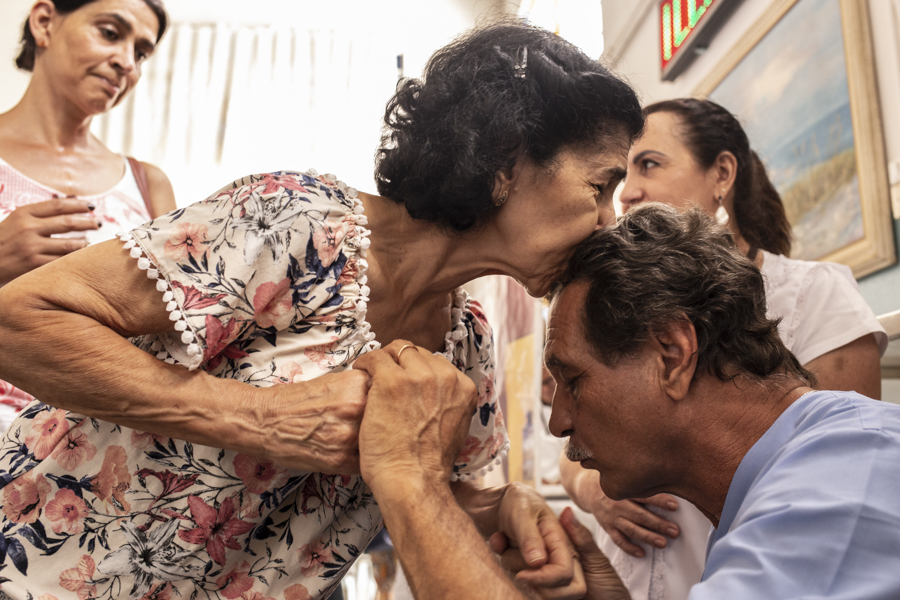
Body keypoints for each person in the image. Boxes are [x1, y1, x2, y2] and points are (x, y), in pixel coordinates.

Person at [0, 21, 644, 599]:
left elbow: (429, 489)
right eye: (600, 186)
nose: (608, 220)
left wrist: (503, 506)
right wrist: (259, 420)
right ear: (506, 159)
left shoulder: (467, 344)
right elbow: (18, 322)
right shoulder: (298, 222)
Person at [353, 204, 900, 600]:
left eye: (573, 380)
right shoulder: (801, 475)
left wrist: (409, 478)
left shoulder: (835, 492)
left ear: (672, 354)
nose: (559, 423)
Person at [559, 98, 888, 600]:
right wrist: (595, 492)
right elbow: (578, 441)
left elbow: (821, 477)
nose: (629, 193)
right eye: (622, 175)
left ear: (722, 174)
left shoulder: (815, 297)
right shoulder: (607, 309)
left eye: (650, 164)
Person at [0, 0, 177, 431]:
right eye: (110, 33)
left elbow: (171, 337)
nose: (126, 63)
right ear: (44, 22)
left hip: (93, 448)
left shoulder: (148, 185)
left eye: (141, 53)